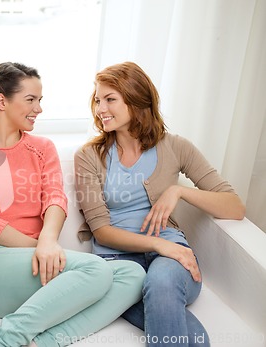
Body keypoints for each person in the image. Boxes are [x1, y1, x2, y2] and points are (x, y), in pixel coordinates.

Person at [0, 62, 146, 347]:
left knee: (134, 274)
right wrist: (42, 248)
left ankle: (43, 343)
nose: (39, 108)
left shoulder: (42, 148)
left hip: (35, 264)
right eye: (30, 99)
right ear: (2, 101)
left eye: (40, 100)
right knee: (96, 270)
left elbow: (55, 198)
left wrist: (48, 241)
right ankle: (1, 342)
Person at [74, 61, 246, 347]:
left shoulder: (175, 147)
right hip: (117, 263)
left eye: (109, 99)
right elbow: (102, 231)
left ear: (137, 99)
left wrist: (178, 192)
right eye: (97, 100)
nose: (99, 109)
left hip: (171, 258)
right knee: (193, 339)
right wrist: (158, 244)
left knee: (163, 283)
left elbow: (234, 207)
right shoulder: (89, 156)